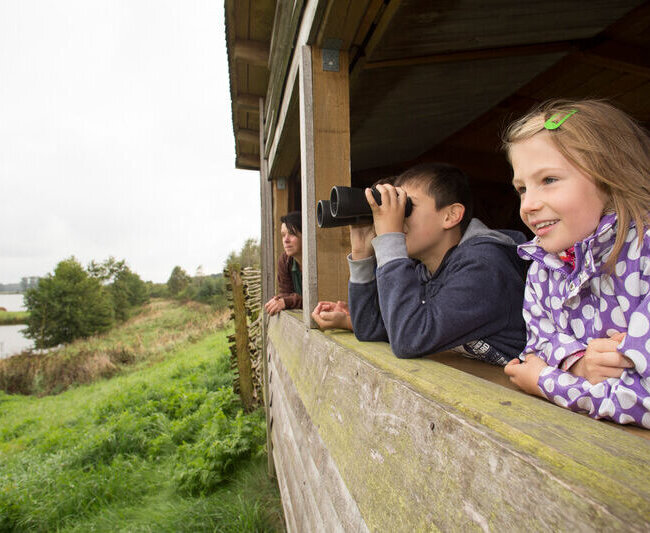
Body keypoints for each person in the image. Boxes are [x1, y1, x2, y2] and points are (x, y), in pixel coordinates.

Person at [503, 99, 650, 427]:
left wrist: (548, 382)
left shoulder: (645, 252)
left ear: (609, 177)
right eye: (522, 189)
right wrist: (581, 363)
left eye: (549, 180)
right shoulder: (543, 266)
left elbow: (644, 398)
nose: (528, 205)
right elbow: (536, 343)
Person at [347, 162, 528, 365]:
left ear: (450, 216)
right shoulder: (424, 271)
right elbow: (371, 328)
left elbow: (409, 339)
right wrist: (361, 253)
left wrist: (390, 239)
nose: (397, 217)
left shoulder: (484, 265)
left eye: (406, 207)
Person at [264, 211, 303, 316]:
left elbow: (320, 299)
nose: (286, 240)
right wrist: (279, 300)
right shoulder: (285, 261)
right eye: (283, 235)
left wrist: (288, 301)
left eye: (292, 234)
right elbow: (286, 294)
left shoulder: (320, 263)